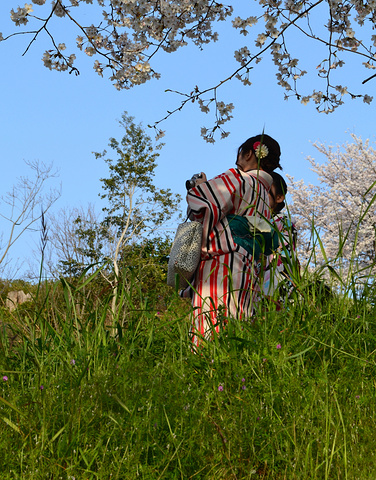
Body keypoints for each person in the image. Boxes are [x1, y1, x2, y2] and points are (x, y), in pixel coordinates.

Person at [181, 134, 282, 346]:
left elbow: (202, 204)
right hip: (248, 267)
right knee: (236, 323)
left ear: (247, 154)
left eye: (241, 154)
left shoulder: (239, 179)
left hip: (222, 261)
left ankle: (207, 371)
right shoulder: (264, 196)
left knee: (209, 324)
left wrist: (200, 186)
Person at [261, 171, 298, 307]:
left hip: (276, 281)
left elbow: (284, 257)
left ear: (279, 197)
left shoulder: (284, 222)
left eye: (265, 191)